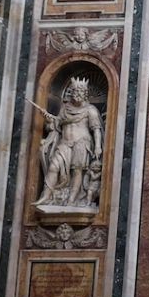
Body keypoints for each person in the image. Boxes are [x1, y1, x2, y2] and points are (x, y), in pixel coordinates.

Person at [34, 76, 104, 208]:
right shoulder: (65, 109)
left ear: (85, 94)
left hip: (82, 143)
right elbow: (55, 126)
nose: (76, 95)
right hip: (64, 142)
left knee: (77, 171)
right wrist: (49, 120)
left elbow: (96, 130)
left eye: (79, 93)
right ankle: (45, 196)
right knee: (54, 167)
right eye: (74, 92)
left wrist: (98, 146)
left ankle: (72, 200)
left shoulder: (91, 110)